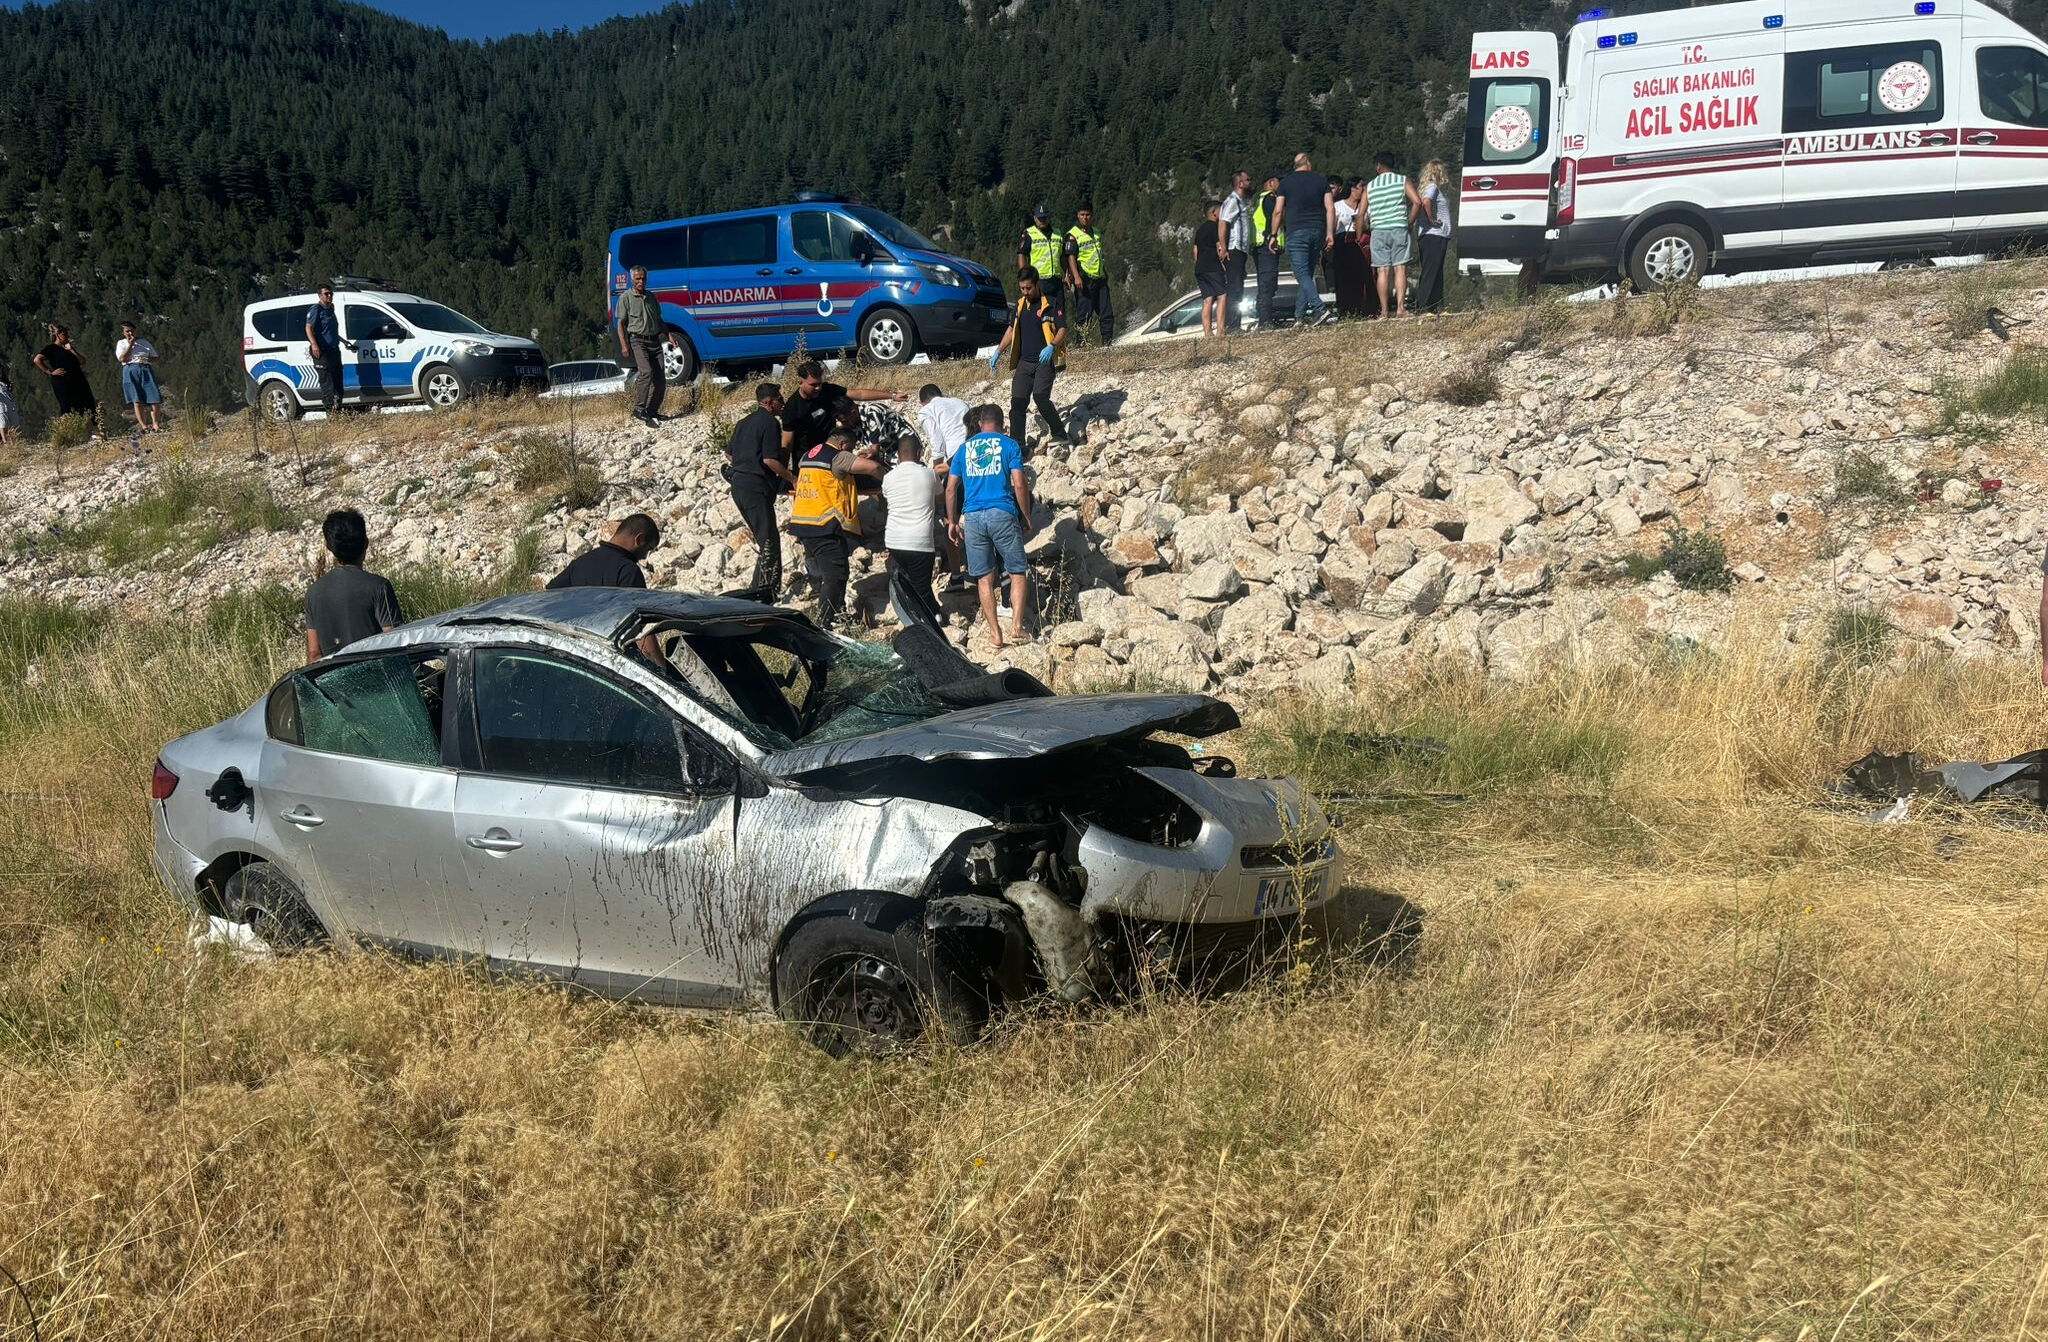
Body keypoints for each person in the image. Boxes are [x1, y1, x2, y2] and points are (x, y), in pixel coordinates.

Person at [946, 405, 1037, 650]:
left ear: (981, 422)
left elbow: (951, 488)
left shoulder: (963, 449)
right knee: (1017, 571)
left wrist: (952, 521)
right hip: (1002, 512)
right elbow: (1019, 483)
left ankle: (996, 634)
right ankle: (1017, 628)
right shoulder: (1009, 445)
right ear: (1001, 423)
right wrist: (1026, 515)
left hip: (973, 517)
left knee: (984, 578)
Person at [789, 427, 884, 630]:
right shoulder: (838, 457)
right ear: (842, 444)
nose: (850, 452)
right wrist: (890, 479)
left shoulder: (809, 455)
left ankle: (837, 612)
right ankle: (824, 624)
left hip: (804, 522)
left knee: (830, 572)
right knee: (836, 575)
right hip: (824, 525)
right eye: (849, 448)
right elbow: (871, 468)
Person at [725, 383, 794, 603]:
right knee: (769, 542)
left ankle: (758, 588)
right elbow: (770, 460)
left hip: (738, 486)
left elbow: (730, 455)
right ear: (769, 402)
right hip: (756, 488)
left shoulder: (743, 422)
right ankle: (765, 594)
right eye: (779, 400)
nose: (781, 404)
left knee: (763, 537)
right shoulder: (770, 424)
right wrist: (793, 479)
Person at [304, 508, 403, 663]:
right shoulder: (379, 587)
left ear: (329, 547)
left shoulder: (313, 593)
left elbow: (314, 654)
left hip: (334, 683)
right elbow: (395, 643)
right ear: (366, 543)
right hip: (377, 679)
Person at [991, 266, 1068, 448]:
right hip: (1024, 363)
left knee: (1041, 397)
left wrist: (1052, 346)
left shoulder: (1050, 303)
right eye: (1022, 288)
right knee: (1017, 402)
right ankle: (1018, 442)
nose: (1025, 292)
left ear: (1037, 284)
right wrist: (998, 351)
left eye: (1028, 288)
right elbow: (1011, 329)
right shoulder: (1019, 306)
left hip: (1044, 361)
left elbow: (1062, 328)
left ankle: (1059, 433)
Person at [779, 360, 909, 460]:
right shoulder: (792, 408)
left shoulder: (827, 390)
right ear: (800, 382)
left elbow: (859, 394)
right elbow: (787, 443)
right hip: (808, 455)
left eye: (819, 383)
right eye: (813, 385)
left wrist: (892, 396)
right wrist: (785, 474)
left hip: (832, 448)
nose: (818, 388)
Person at [881, 434, 943, 620]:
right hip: (919, 542)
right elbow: (939, 496)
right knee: (921, 586)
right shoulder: (930, 475)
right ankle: (927, 622)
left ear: (898, 455)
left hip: (894, 540)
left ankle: (935, 612)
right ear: (918, 452)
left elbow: (887, 498)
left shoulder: (888, 477)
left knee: (912, 580)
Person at [1270, 153, 1335, 327]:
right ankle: (1298, 316)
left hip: (1297, 231)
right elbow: (1330, 208)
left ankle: (1320, 309)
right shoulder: (1321, 181)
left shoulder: (1286, 184)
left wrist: (1274, 234)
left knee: (1301, 275)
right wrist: (1330, 233)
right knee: (1307, 275)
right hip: (1318, 231)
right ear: (1308, 163)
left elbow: (1278, 211)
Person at [615, 265, 683, 425]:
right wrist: (624, 345)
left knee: (660, 379)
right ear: (632, 279)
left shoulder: (651, 297)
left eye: (643, 278)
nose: (641, 281)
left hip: (655, 341)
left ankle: (652, 411)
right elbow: (621, 324)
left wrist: (669, 335)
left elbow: (659, 320)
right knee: (646, 372)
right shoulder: (626, 298)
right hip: (638, 341)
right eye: (638, 278)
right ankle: (639, 408)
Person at [1368, 152, 1426, 320]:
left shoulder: (1370, 186)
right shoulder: (1402, 180)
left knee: (1382, 271)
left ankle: (1384, 311)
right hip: (1398, 227)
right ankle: (1400, 309)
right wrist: (1409, 222)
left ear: (1378, 166)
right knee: (1400, 268)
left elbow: (1362, 212)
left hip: (1378, 230)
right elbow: (1417, 202)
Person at [548, 513, 661, 590]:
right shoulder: (629, 572)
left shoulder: (580, 563)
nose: (645, 556)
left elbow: (549, 594)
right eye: (648, 549)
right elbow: (637, 618)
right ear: (639, 540)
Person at [34, 324, 101, 440]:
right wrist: (50, 371)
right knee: (66, 407)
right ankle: (63, 435)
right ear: (57, 335)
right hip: (63, 382)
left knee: (88, 404)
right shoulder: (51, 348)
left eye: (67, 334)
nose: (67, 336)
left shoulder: (69, 349)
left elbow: (82, 361)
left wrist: (72, 350)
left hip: (79, 381)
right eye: (64, 334)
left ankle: (91, 434)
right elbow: (37, 359)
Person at [1064, 205, 1114, 344]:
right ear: (1078, 216)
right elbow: (1071, 257)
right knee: (1084, 315)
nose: (1085, 218)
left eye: (1088, 215)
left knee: (1106, 312)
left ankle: (1107, 342)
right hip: (1084, 280)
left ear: (1092, 216)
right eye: (1082, 215)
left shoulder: (1096, 232)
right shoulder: (1073, 235)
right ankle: (1081, 344)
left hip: (1100, 277)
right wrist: (1076, 277)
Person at [1415, 160, 1455, 316]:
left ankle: (1437, 305)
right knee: (1431, 271)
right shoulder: (1432, 187)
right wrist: (1432, 219)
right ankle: (1424, 306)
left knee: (1436, 271)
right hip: (1433, 235)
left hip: (1438, 236)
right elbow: (1426, 202)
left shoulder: (1430, 187)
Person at [1218, 170, 1252, 333]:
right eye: (1247, 180)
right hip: (1234, 249)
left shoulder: (1241, 201)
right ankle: (1232, 326)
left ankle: (1234, 324)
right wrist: (1224, 247)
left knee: (1238, 286)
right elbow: (1223, 222)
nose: (1250, 182)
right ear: (1240, 183)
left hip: (1241, 250)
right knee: (1234, 287)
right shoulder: (1233, 201)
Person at [303, 286, 346, 416]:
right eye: (326, 294)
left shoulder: (330, 309)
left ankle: (338, 411)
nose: (329, 296)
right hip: (322, 351)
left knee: (338, 382)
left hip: (334, 349)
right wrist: (314, 344)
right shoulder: (316, 309)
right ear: (320, 296)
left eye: (331, 293)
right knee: (328, 384)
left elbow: (329, 331)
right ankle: (331, 414)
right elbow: (309, 328)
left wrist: (343, 341)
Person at [115, 322, 164, 434]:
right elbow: (122, 358)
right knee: (137, 400)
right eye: (127, 331)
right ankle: (144, 426)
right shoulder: (121, 343)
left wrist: (147, 360)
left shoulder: (144, 342)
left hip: (145, 368)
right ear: (123, 332)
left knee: (154, 398)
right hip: (130, 368)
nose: (130, 333)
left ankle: (156, 424)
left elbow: (154, 356)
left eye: (132, 330)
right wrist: (131, 345)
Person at [1251, 171, 1285, 329]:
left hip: (1262, 248)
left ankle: (1264, 319)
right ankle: (1265, 321)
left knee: (1266, 284)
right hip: (1267, 247)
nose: (1282, 185)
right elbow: (1275, 217)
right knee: (1267, 284)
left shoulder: (1259, 200)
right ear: (1271, 183)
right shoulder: (1270, 199)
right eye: (1279, 181)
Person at [1333, 178, 1370, 320]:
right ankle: (1344, 310)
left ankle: (1360, 308)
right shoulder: (1338, 206)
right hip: (1343, 243)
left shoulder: (1365, 206)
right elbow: (1334, 226)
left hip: (1360, 243)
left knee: (1360, 278)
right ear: (1353, 188)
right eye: (1361, 186)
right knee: (1343, 278)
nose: (1364, 190)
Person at [1017, 204, 1066, 306]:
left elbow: (1061, 256)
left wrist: (1066, 274)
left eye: (1044, 217)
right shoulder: (1029, 234)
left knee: (1059, 312)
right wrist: (1024, 277)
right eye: (1040, 218)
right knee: (1040, 311)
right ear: (1035, 218)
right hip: (1039, 280)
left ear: (1049, 217)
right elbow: (1021, 254)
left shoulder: (1058, 233)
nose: (1042, 220)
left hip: (1056, 280)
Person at [1194, 201, 1228, 338]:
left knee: (1208, 299)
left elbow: (1195, 249)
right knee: (1222, 295)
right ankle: (1221, 330)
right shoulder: (1215, 227)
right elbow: (1219, 245)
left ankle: (1207, 332)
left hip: (1200, 268)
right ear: (1214, 213)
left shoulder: (1200, 230)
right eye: (1221, 210)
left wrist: (1198, 263)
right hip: (1212, 265)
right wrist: (1223, 260)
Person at [0, 364, 20, 449]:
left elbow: (9, 394)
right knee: (3, 424)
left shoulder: (5, 381)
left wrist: (11, 389)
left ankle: (14, 442)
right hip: (1, 406)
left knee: (14, 425)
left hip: (10, 405)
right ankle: (5, 441)